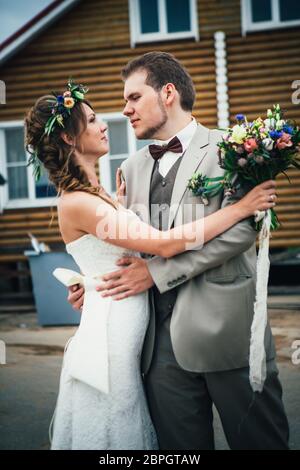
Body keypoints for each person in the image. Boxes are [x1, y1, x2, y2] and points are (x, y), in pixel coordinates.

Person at [25, 77, 278, 450]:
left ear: (169, 92)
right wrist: (239, 208)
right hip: (131, 338)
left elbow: (114, 246)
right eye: (93, 120)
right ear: (68, 138)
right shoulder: (90, 194)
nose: (109, 120)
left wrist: (90, 282)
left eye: (134, 97)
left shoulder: (109, 190)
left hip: (207, 329)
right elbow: (163, 244)